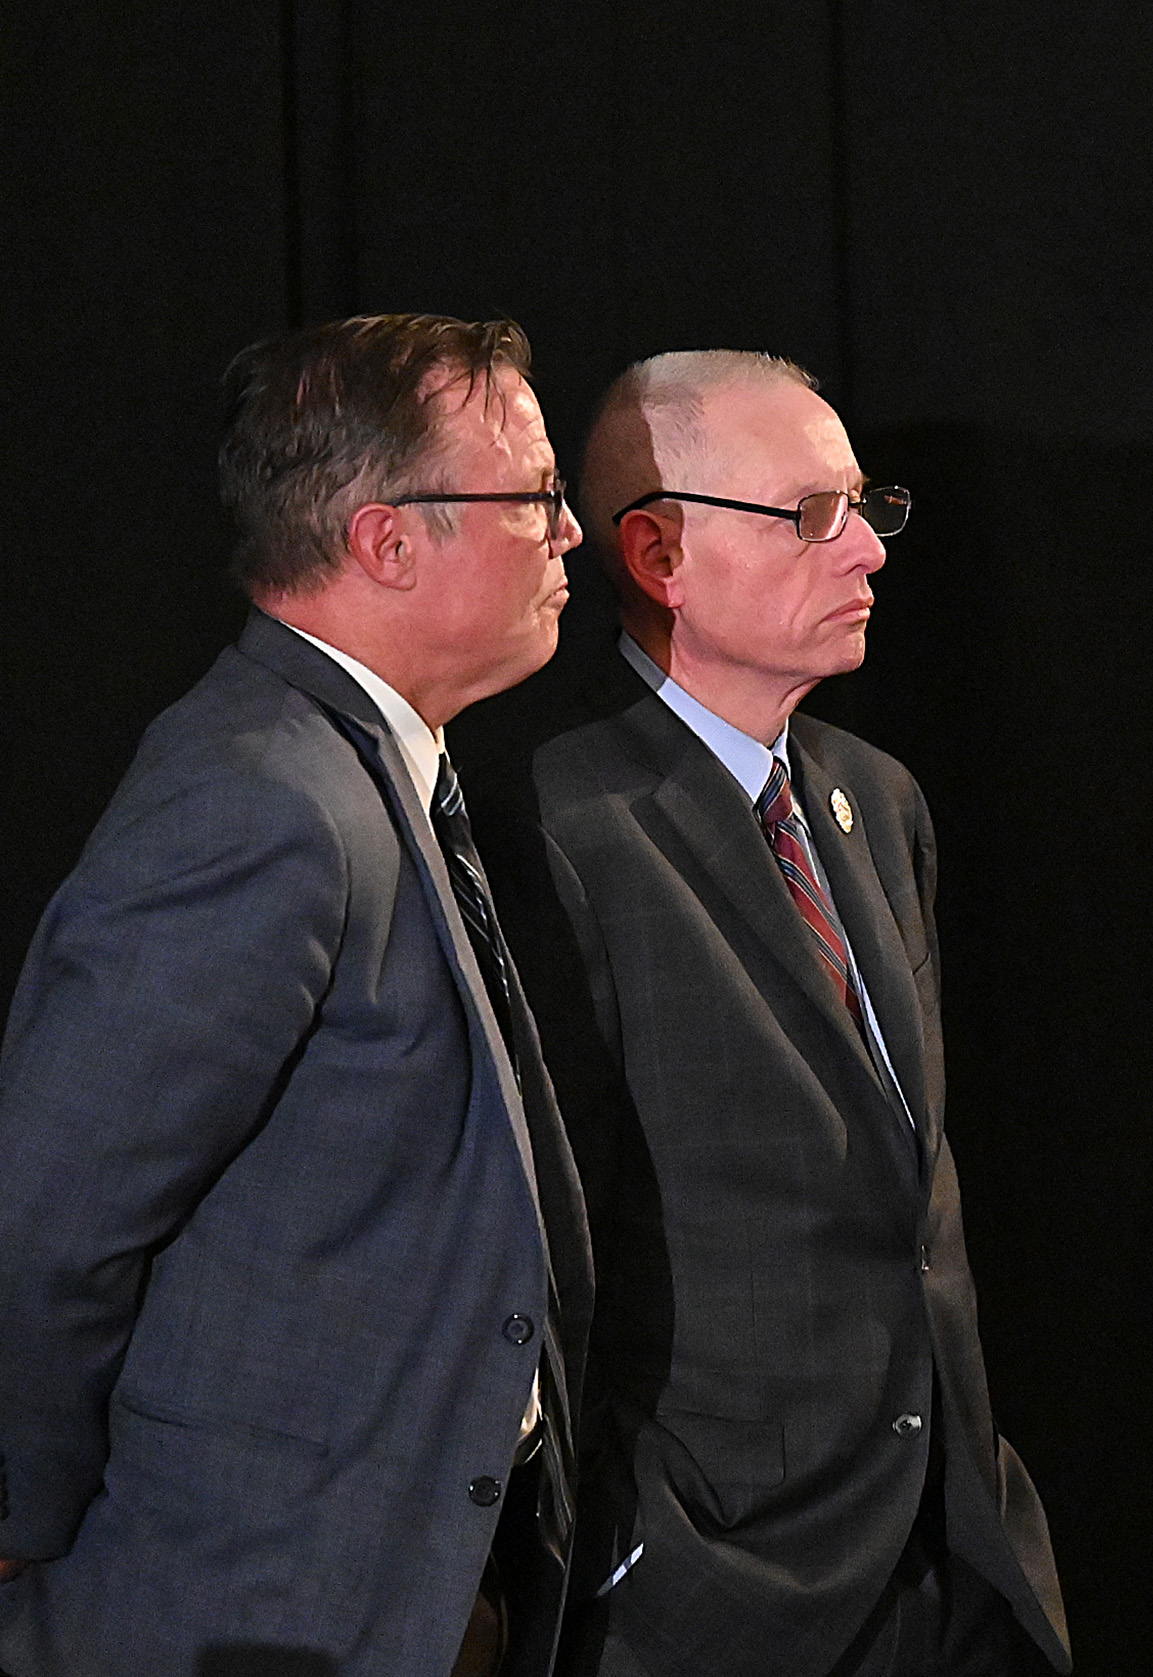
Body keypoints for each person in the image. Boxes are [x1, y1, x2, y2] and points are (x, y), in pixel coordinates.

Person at [450, 350, 1069, 1677]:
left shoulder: (876, 798)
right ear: (660, 553)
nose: (866, 557)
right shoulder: (556, 828)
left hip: (948, 1567)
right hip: (713, 1596)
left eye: (867, 509)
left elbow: (907, 1201)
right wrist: (637, 1553)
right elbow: (540, 1255)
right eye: (810, 515)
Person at [0, 314, 593, 1677]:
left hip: (395, 1597)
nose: (569, 535)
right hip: (247, 1616)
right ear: (388, 541)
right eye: (536, 495)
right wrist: (23, 1518)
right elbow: (48, 1215)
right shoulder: (262, 799)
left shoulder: (374, 768)